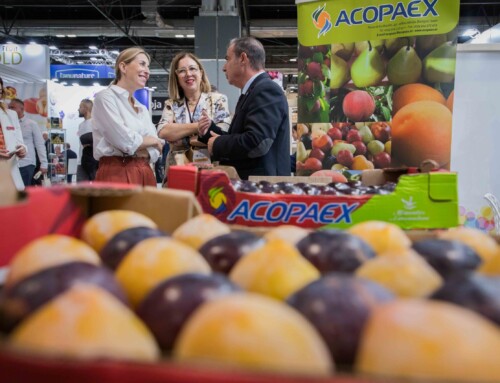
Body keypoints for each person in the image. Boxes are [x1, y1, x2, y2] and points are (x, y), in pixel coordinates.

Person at [198, 36, 290, 179]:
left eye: (227, 59)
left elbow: (258, 142)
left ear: (243, 58)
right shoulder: (252, 91)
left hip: (263, 189)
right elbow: (242, 137)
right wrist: (209, 131)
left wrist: (218, 144)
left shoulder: (265, 89)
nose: (223, 67)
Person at [92, 46, 163, 186]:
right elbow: (124, 140)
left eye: (148, 66)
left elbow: (155, 152)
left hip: (145, 171)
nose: (147, 71)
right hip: (117, 171)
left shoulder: (141, 107)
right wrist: (153, 141)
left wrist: (147, 144)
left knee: (148, 209)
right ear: (123, 67)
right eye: (142, 64)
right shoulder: (105, 98)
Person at [157, 52, 231, 177]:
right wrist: (198, 127)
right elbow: (163, 131)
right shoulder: (171, 104)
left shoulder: (218, 100)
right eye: (182, 71)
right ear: (177, 76)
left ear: (201, 73)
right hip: (177, 171)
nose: (188, 74)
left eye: (192, 69)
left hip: (210, 171)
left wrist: (179, 138)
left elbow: (221, 134)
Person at [8, 98, 48, 187]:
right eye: (9, 107)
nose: (9, 109)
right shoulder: (6, 124)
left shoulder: (31, 124)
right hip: (10, 163)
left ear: (21, 109)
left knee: (24, 191)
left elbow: (40, 144)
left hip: (26, 163)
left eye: (12, 107)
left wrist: (44, 163)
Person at [0, 77, 27, 190]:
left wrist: (23, 149)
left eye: (0, 92)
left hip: (9, 169)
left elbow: (19, 141)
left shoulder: (11, 115)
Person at [77, 99, 99, 181]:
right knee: (80, 191)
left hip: (93, 161)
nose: (78, 109)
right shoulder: (81, 125)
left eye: (80, 107)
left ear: (86, 108)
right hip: (81, 161)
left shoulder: (95, 123)